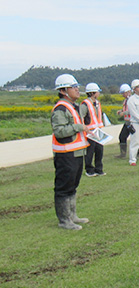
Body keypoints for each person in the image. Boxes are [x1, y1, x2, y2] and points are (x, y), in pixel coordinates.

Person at [50, 74, 90, 230]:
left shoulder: (74, 106)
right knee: (64, 186)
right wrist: (78, 127)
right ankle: (64, 220)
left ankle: (72, 216)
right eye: (73, 87)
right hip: (65, 154)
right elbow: (59, 131)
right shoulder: (60, 109)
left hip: (77, 152)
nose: (77, 90)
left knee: (73, 185)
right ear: (63, 90)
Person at [80, 82, 105, 176]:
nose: (99, 93)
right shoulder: (85, 104)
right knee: (89, 152)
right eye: (97, 92)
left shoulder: (97, 103)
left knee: (99, 150)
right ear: (93, 92)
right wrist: (85, 129)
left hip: (98, 131)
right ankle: (89, 170)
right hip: (89, 132)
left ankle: (99, 169)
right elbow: (80, 117)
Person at [116, 83, 132, 159]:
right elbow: (126, 109)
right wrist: (121, 111)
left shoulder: (132, 100)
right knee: (122, 137)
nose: (122, 95)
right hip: (127, 122)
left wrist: (124, 113)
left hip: (133, 122)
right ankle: (123, 154)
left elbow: (133, 110)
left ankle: (138, 154)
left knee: (135, 138)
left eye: (123, 93)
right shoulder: (125, 101)